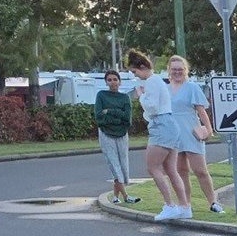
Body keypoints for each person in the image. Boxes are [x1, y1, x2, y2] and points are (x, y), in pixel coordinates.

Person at [126, 49, 188, 220]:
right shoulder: (158, 82)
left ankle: (170, 205)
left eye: (134, 71)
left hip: (161, 125)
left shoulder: (152, 82)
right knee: (170, 169)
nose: (136, 75)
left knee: (153, 167)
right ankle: (184, 206)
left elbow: (152, 106)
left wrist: (141, 96)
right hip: (169, 124)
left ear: (142, 67)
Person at [165, 55, 222, 215]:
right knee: (181, 171)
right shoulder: (165, 89)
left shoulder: (192, 87)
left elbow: (201, 111)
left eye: (180, 69)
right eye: (174, 69)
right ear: (169, 70)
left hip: (191, 132)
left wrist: (209, 129)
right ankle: (185, 204)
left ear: (185, 71)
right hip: (173, 135)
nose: (177, 72)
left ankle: (213, 202)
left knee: (200, 170)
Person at [94, 70, 139, 205]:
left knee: (123, 164)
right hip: (106, 134)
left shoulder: (124, 98)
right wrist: (117, 116)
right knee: (114, 164)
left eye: (115, 79)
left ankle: (115, 196)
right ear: (106, 82)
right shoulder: (101, 95)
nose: (113, 82)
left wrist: (110, 111)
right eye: (109, 80)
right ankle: (126, 196)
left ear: (120, 81)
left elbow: (127, 119)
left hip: (122, 134)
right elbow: (99, 117)